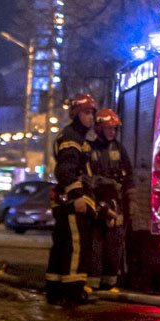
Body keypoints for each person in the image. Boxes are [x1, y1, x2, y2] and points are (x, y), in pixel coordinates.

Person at [46, 93, 98, 306]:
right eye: (86, 112)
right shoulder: (72, 138)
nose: (91, 117)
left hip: (64, 202)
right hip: (71, 203)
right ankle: (73, 290)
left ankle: (55, 289)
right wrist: (77, 196)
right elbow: (67, 170)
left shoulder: (76, 138)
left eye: (92, 113)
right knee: (76, 245)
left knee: (62, 246)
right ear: (76, 114)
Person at [89, 108, 133, 292]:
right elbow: (87, 177)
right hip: (97, 204)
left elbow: (129, 175)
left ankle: (110, 283)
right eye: (108, 128)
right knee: (95, 245)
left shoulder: (118, 148)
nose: (112, 132)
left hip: (116, 204)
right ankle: (91, 283)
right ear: (99, 127)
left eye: (114, 129)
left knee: (114, 245)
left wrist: (131, 201)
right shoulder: (89, 148)